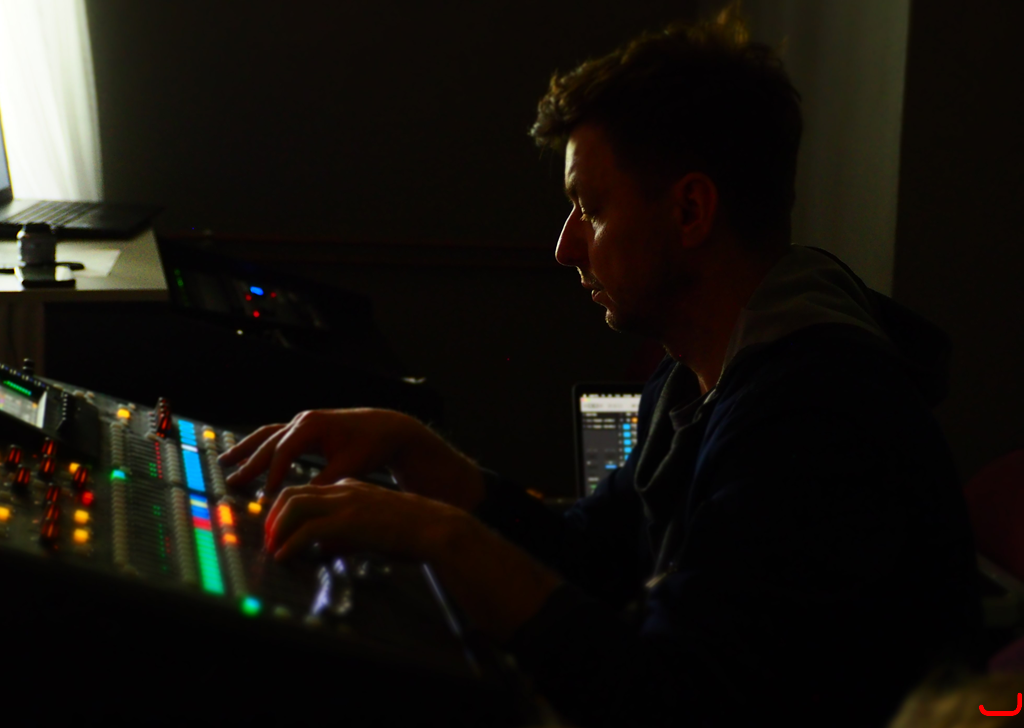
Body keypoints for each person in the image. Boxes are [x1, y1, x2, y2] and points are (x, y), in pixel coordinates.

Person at [220, 6, 981, 726]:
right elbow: (596, 555)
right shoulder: (696, 376)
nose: (565, 246)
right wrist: (421, 458)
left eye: (590, 208)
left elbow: (668, 702)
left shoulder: (816, 420)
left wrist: (443, 538)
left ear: (689, 211)